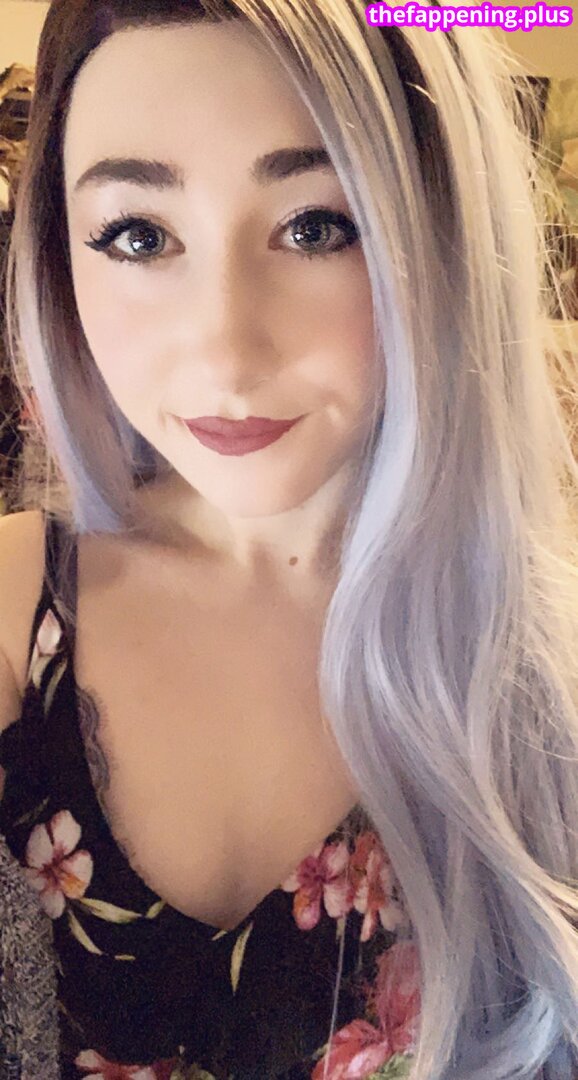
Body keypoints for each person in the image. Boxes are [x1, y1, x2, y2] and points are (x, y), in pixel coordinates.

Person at [0, 1, 576, 1078]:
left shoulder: (543, 676)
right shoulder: (13, 611)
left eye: (316, 226)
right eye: (138, 236)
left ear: (442, 234)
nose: (225, 348)